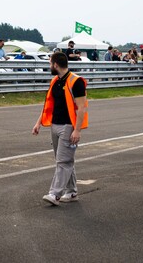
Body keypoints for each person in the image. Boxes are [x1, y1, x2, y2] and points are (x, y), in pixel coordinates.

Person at [32, 52, 88, 206]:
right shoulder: (54, 81)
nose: (49, 66)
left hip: (69, 126)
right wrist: (39, 123)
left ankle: (54, 194)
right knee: (64, 161)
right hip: (54, 125)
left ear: (55, 64)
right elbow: (48, 106)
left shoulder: (76, 82)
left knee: (63, 161)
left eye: (50, 63)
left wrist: (77, 130)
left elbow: (82, 108)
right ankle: (72, 191)